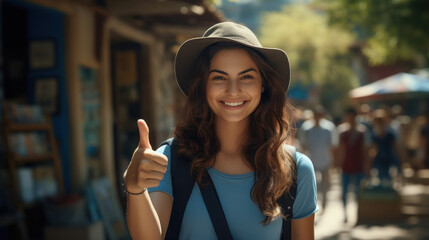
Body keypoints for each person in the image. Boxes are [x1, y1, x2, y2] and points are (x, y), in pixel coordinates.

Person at [122, 22, 318, 239]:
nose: (233, 90)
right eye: (218, 77)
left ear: (263, 84)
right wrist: (135, 189)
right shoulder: (169, 161)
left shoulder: (297, 170)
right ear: (202, 85)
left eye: (246, 76)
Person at [300, 105, 336, 212]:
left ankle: (324, 205)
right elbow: (303, 146)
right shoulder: (306, 128)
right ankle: (314, 205)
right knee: (312, 186)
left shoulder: (329, 128)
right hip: (311, 162)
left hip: (325, 161)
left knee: (325, 185)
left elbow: (332, 146)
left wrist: (332, 163)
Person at [336, 107, 369, 223]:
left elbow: (366, 150)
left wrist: (367, 165)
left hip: (358, 166)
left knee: (358, 192)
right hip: (346, 166)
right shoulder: (342, 131)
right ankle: (345, 214)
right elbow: (341, 150)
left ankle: (358, 214)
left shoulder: (362, 131)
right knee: (344, 192)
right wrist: (338, 164)